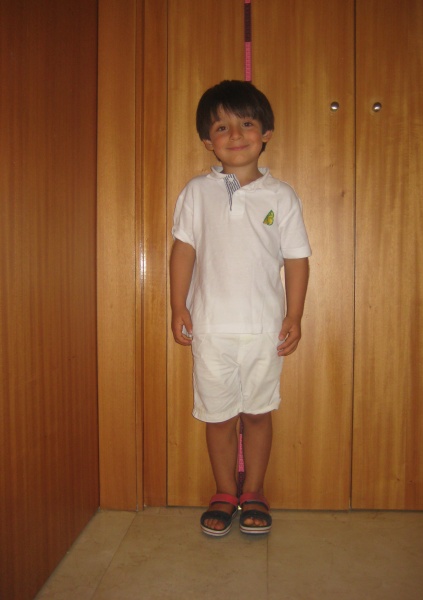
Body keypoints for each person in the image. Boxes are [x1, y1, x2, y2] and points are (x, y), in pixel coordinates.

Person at [170, 80, 311, 536]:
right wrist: (178, 305)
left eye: (246, 124)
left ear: (265, 133)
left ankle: (254, 491)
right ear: (207, 141)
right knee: (218, 417)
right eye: (221, 127)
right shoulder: (197, 191)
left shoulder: (281, 196)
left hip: (263, 331)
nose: (235, 135)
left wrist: (294, 315)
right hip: (210, 329)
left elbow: (296, 258)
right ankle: (223, 491)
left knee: (257, 414)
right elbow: (184, 250)